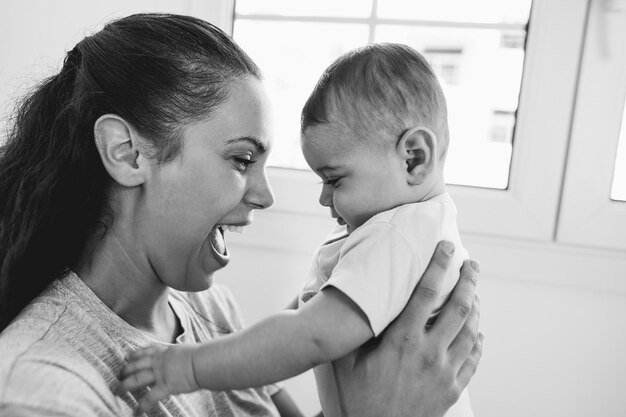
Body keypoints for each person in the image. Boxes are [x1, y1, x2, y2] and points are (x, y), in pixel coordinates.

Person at [0, 13, 482, 417]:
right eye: (241, 160)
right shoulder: (45, 389)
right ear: (128, 153)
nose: (266, 196)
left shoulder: (212, 315)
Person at [120, 43, 476, 417]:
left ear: (413, 157)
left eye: (335, 180)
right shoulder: (417, 228)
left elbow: (312, 333)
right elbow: (308, 313)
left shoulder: (398, 233)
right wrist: (255, 353)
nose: (324, 199)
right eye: (241, 160)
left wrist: (190, 366)